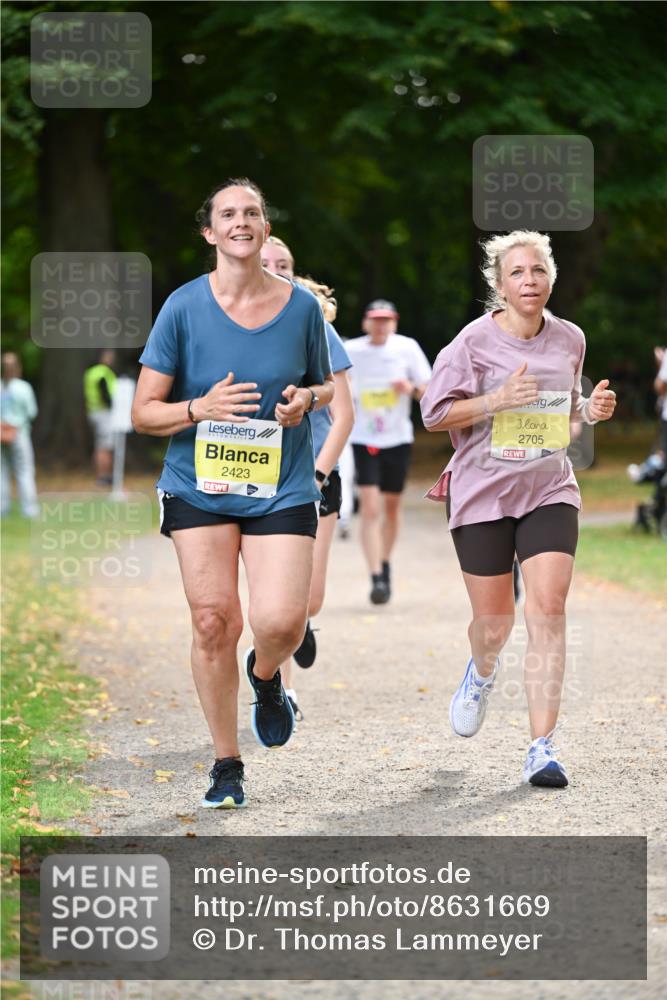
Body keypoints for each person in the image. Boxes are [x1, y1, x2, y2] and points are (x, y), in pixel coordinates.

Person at [132, 179, 333, 810]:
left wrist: (305, 400)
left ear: (266, 228)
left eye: (252, 213)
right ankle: (226, 764)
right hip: (199, 486)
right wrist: (199, 407)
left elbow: (324, 386)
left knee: (282, 622)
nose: (241, 221)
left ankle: (266, 676)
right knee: (213, 619)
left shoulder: (301, 308)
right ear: (210, 232)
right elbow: (144, 412)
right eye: (228, 214)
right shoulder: (182, 307)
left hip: (281, 486)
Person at [421, 230, 616, 788]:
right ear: (500, 285)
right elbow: (434, 414)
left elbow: (562, 409)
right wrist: (495, 400)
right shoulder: (472, 342)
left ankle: (542, 748)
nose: (529, 281)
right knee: (495, 624)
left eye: (538, 271)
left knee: (548, 610)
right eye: (517, 273)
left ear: (550, 278)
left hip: (549, 488)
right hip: (483, 491)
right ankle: (481, 672)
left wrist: (590, 409)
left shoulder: (570, 338)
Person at [261, 236, 354, 719]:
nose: (275, 270)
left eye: (284, 264)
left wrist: (318, 474)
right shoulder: (234, 326)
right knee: (277, 596)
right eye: (266, 263)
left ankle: (301, 624)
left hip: (316, 475)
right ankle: (281, 687)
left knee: (309, 599)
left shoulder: (316, 325)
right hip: (263, 478)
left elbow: (344, 416)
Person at [345, 300, 432, 604]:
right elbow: (335, 385)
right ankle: (376, 577)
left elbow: (429, 391)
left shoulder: (407, 348)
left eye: (387, 320)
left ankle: (385, 562)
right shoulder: (351, 350)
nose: (381, 326)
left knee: (391, 507)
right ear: (365, 323)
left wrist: (409, 388)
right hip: (363, 437)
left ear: (394, 323)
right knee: (370, 508)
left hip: (397, 438)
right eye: (376, 320)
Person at [1, 352, 39, 518]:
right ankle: (29, 510)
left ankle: (2, 509)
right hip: (19, 432)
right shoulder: (23, 387)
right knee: (25, 470)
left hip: (1, 432)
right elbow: (31, 412)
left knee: (1, 472)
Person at [84, 349, 117, 485]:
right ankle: (104, 476)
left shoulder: (90, 372)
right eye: (109, 356)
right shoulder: (103, 373)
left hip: (93, 412)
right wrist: (112, 404)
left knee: (100, 445)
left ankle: (102, 475)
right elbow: (105, 393)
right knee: (104, 446)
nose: (112, 359)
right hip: (103, 413)